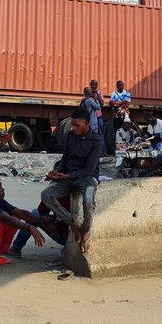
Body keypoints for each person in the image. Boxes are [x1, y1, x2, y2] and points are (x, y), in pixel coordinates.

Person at [41, 107, 103, 252]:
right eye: (73, 125)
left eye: (77, 125)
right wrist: (57, 171)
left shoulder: (97, 140)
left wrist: (67, 176)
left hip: (87, 178)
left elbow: (89, 170)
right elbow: (65, 159)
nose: (74, 128)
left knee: (88, 201)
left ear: (87, 124)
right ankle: (73, 222)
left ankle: (85, 230)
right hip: (68, 177)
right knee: (46, 195)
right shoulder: (70, 136)